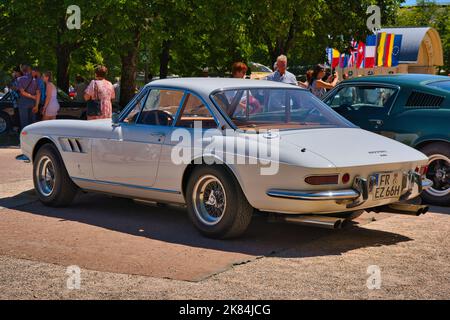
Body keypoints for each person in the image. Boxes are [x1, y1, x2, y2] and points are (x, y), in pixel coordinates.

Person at [16, 64, 40, 130]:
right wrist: (37, 105)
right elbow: (38, 93)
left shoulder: (19, 79)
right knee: (32, 122)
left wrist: (32, 97)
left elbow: (22, 92)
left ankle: (25, 138)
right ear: (29, 70)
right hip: (33, 103)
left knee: (24, 122)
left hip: (23, 102)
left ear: (22, 70)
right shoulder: (36, 79)